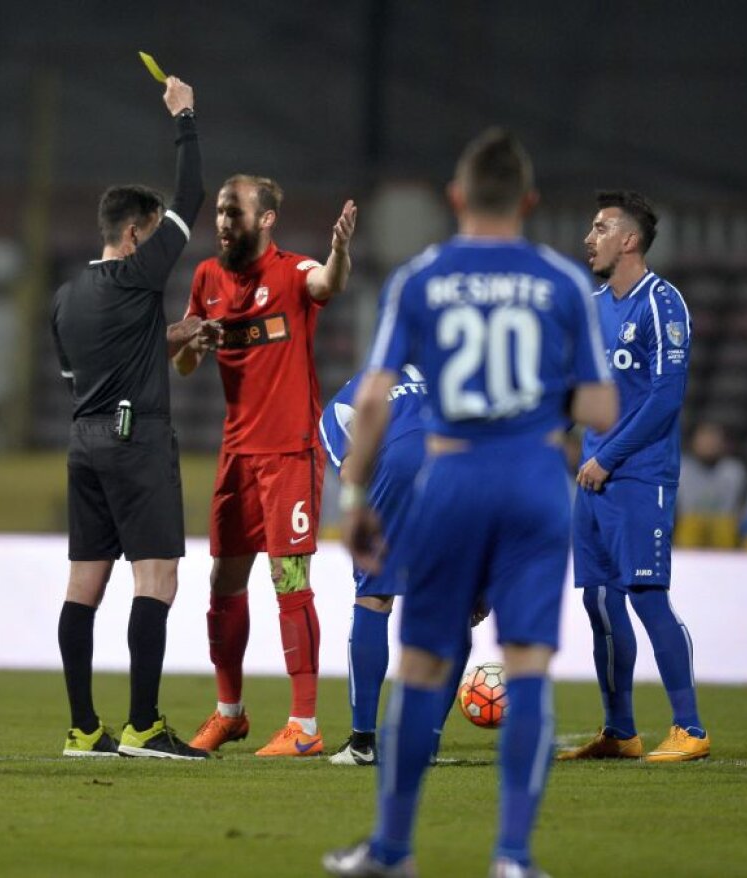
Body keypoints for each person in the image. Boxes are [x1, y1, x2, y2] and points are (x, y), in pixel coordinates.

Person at [323, 128, 617, 878]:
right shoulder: (558, 282)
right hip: (532, 484)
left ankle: (392, 850)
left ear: (455, 199)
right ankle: (513, 858)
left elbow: (379, 395)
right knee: (527, 667)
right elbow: (602, 409)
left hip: (448, 482)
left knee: (420, 664)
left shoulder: (421, 278)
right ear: (529, 200)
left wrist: (355, 497)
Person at [51, 74, 212, 759]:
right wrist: (184, 118)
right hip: (135, 438)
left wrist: (165, 340)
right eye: (151, 234)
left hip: (84, 442)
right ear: (135, 231)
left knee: (84, 584)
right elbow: (194, 197)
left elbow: (84, 375)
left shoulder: (67, 296)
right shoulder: (139, 275)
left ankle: (84, 730)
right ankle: (144, 724)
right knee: (159, 578)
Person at [171, 175, 358, 757]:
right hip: (237, 455)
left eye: (234, 213)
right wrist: (190, 348)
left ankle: (304, 724)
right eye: (221, 213)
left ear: (267, 219)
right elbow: (182, 366)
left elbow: (328, 282)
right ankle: (231, 712)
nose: (223, 222)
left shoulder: (294, 271)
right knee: (223, 582)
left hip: (289, 452)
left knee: (290, 582)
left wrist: (340, 251)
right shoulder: (207, 277)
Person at [559, 190, 711, 765]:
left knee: (648, 596)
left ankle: (690, 728)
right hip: (592, 477)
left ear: (629, 240)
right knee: (600, 602)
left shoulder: (662, 303)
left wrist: (608, 458)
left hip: (638, 476)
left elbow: (666, 399)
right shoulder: (592, 306)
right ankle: (619, 731)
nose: (587, 238)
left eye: (600, 228)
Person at [318, 366, 477, 767]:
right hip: (456, 463)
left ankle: (362, 743)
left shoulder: (350, 395)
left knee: (374, 596)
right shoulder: (450, 369)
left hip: (396, 460)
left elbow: (353, 469)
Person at [675, 421, 747, 548]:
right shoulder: (681, 469)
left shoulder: (734, 471)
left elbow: (744, 508)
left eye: (713, 439)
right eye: (704, 439)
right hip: (690, 532)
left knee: (724, 526)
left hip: (724, 532)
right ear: (694, 442)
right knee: (691, 525)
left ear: (723, 443)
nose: (709, 443)